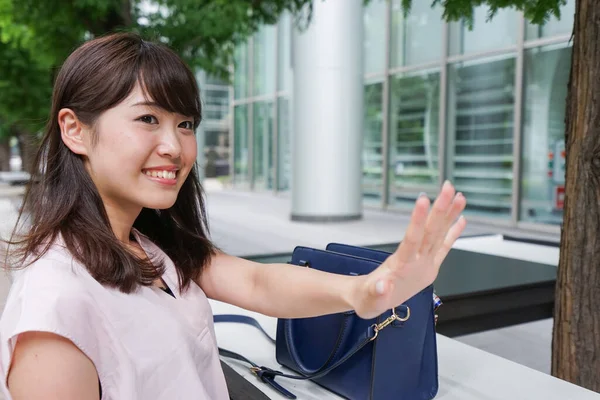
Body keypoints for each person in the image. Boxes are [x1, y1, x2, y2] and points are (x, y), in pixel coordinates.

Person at [0, 32, 467, 400]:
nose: (175, 146)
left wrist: (362, 292)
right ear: (74, 130)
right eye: (148, 119)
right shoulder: (54, 305)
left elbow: (257, 283)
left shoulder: (150, 243)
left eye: (185, 124)